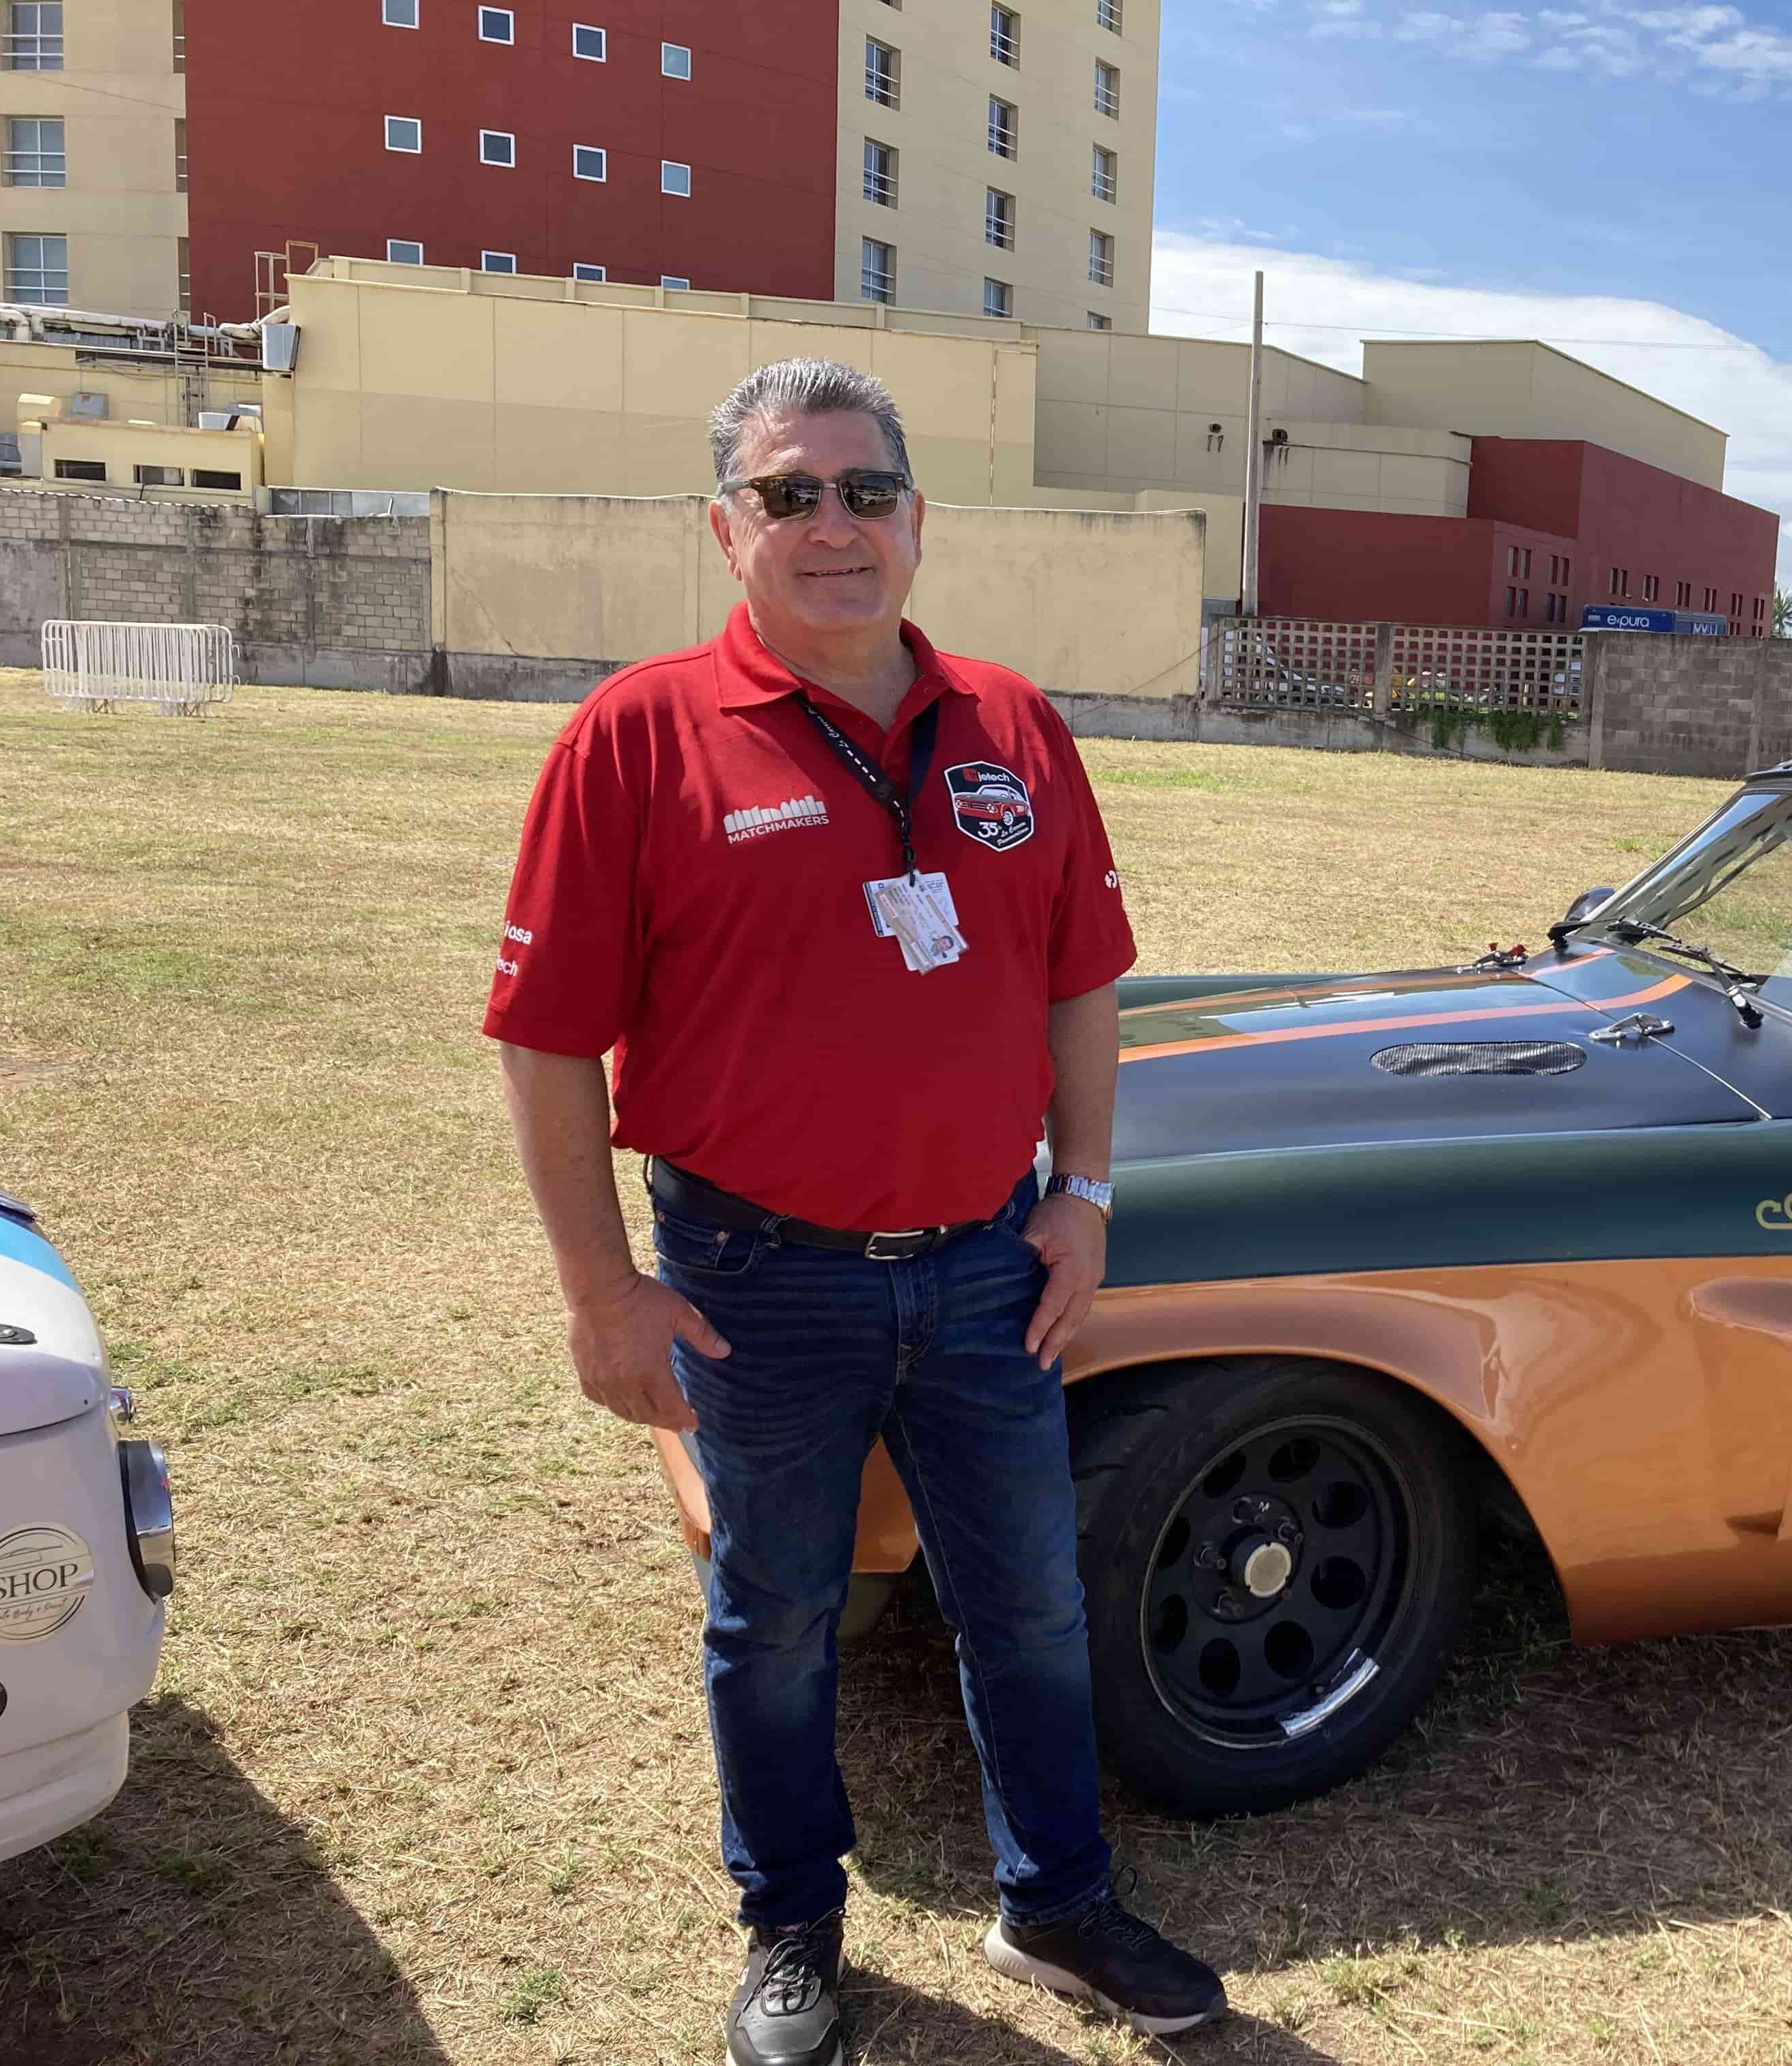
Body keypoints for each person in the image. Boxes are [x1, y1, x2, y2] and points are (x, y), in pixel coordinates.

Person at [484, 357, 1226, 2064]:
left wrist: (1088, 1195)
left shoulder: (1017, 726)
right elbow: (540, 1042)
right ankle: (793, 1927)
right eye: (789, 491)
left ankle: (1056, 1902)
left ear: (918, 520)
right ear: (726, 525)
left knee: (1031, 1601)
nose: (834, 523)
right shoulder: (638, 735)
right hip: (759, 1280)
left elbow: (1082, 985)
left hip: (986, 1271)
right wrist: (605, 1295)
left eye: (865, 490)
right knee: (778, 1614)